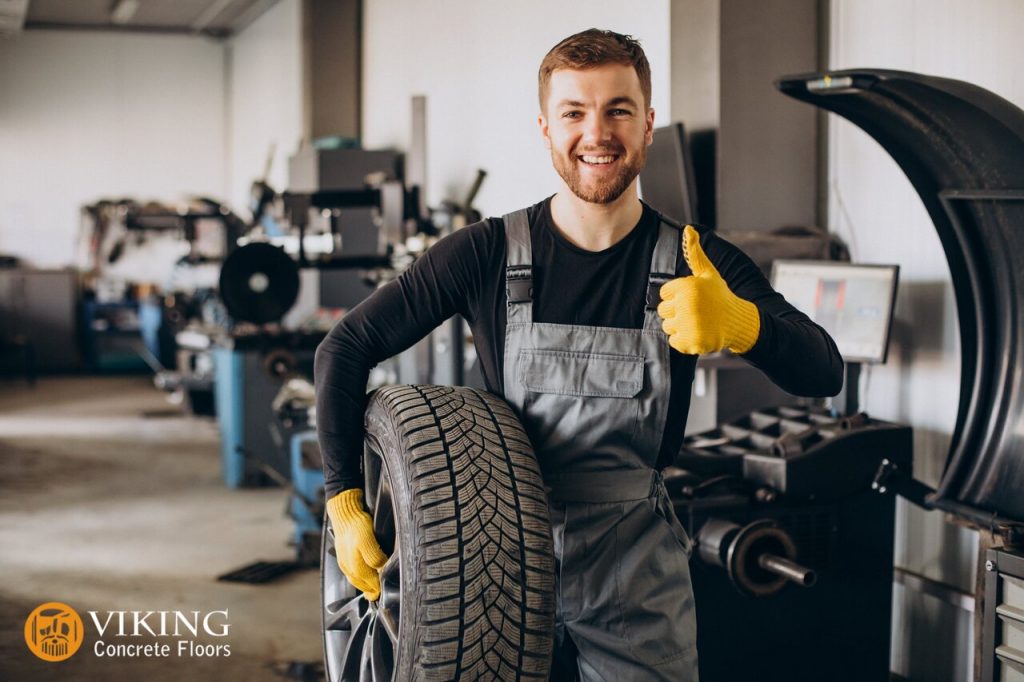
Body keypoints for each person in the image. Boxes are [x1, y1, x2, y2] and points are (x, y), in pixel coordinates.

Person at [315, 28, 843, 681]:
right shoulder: (484, 254)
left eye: (618, 110)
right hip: (489, 566)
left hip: (635, 583)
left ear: (648, 125)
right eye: (574, 113)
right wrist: (343, 499)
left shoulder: (696, 261)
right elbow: (345, 347)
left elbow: (824, 368)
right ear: (545, 128)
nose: (597, 133)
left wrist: (742, 323)